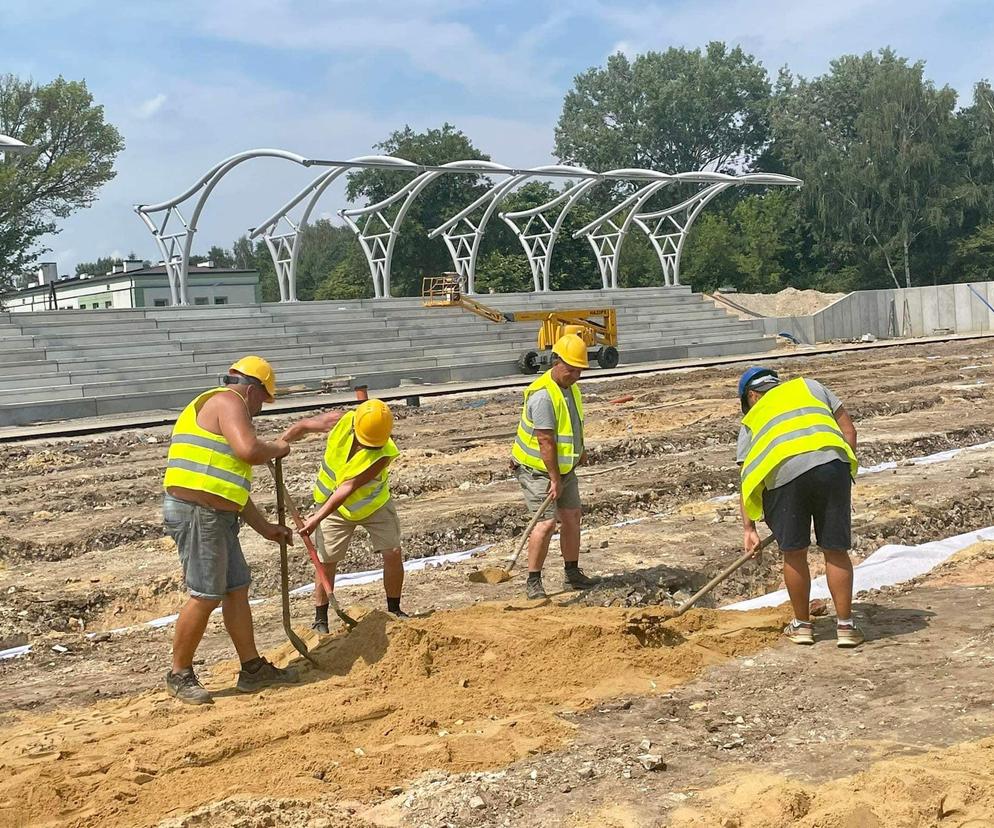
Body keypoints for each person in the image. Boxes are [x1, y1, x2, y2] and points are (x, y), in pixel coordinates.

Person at [162, 356, 297, 705]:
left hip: (216, 513)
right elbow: (250, 450)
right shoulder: (227, 401)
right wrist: (279, 447)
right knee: (206, 594)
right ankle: (179, 674)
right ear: (252, 391)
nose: (259, 410)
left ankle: (252, 669)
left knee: (236, 588)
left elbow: (231, 490)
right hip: (198, 514)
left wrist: (265, 527)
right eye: (262, 402)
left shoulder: (221, 405)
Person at [736, 366, 862, 647]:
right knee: (835, 550)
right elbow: (849, 431)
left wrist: (749, 528)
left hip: (784, 476)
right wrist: (842, 477)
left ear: (752, 396)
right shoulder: (811, 386)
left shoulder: (753, 418)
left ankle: (802, 626)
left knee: (794, 553)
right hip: (833, 465)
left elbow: (747, 477)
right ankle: (846, 627)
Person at [289, 399, 407, 627]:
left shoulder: (384, 453)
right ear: (355, 427)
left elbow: (348, 488)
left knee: (392, 552)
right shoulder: (343, 421)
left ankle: (395, 609)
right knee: (326, 561)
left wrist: (316, 518)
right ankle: (320, 619)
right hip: (331, 506)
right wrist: (279, 444)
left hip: (373, 506)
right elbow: (305, 425)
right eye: (365, 443)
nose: (367, 448)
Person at [511, 333, 600, 600]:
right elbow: (545, 441)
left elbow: (573, 424)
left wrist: (579, 452)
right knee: (546, 523)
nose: (576, 375)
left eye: (580, 370)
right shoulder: (542, 397)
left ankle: (572, 573)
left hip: (564, 469)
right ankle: (533, 581)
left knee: (572, 517)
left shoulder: (570, 388)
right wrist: (554, 478)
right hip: (537, 470)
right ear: (556, 362)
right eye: (571, 369)